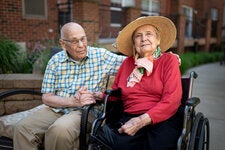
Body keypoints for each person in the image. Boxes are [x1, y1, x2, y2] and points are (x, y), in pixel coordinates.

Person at [13, 22, 126, 150]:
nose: (81, 45)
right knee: (22, 128)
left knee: (59, 130)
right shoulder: (55, 61)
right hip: (57, 109)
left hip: (85, 112)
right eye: (74, 41)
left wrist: (150, 55)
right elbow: (47, 97)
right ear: (62, 43)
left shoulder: (101, 56)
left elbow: (130, 63)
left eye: (83, 39)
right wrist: (72, 101)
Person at [92, 16, 183, 150]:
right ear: (134, 43)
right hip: (129, 117)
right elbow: (117, 95)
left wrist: (142, 120)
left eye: (149, 34)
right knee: (117, 145)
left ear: (158, 40)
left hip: (163, 118)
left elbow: (172, 100)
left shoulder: (169, 60)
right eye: (138, 36)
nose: (144, 38)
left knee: (157, 146)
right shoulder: (127, 63)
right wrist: (99, 95)